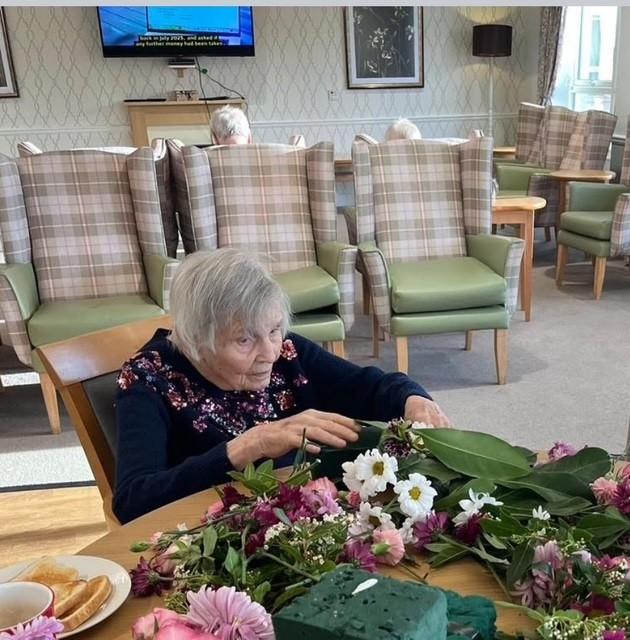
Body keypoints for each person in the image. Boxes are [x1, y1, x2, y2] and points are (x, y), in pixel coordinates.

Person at [113, 250, 451, 523]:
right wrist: (247, 446)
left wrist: (412, 398)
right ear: (197, 341)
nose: (270, 352)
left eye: (274, 329)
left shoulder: (285, 350)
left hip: (307, 518)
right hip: (216, 534)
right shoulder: (148, 379)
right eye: (244, 339)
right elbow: (133, 500)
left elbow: (368, 388)